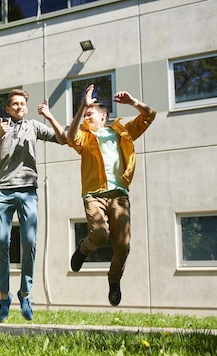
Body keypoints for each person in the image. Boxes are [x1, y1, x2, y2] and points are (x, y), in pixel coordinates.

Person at [0, 89, 66, 323]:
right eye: (15, 104)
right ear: (8, 109)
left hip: (28, 190)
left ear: (26, 107)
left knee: (29, 241)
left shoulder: (34, 126)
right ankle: (4, 296)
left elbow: (63, 139)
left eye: (22, 104)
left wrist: (49, 116)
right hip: (3, 190)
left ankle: (25, 293)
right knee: (1, 241)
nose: (19, 107)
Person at [67, 84, 155, 307]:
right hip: (94, 194)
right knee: (99, 235)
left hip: (119, 195)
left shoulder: (121, 132)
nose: (86, 117)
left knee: (123, 246)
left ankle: (114, 279)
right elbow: (70, 136)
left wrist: (133, 102)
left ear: (104, 116)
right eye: (84, 114)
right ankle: (83, 249)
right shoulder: (84, 137)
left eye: (90, 113)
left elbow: (149, 115)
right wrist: (81, 108)